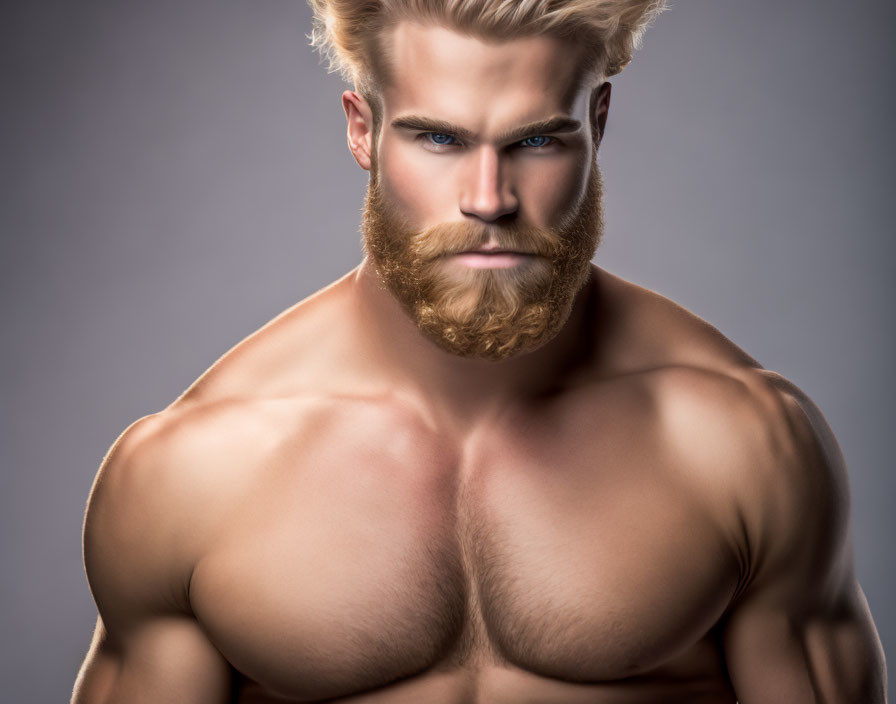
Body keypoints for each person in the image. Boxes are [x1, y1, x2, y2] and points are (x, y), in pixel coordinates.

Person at [72, 1, 887, 702]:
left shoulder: (742, 441)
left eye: (537, 142)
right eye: (439, 139)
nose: (489, 200)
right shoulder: (187, 473)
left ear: (597, 123)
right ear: (365, 130)